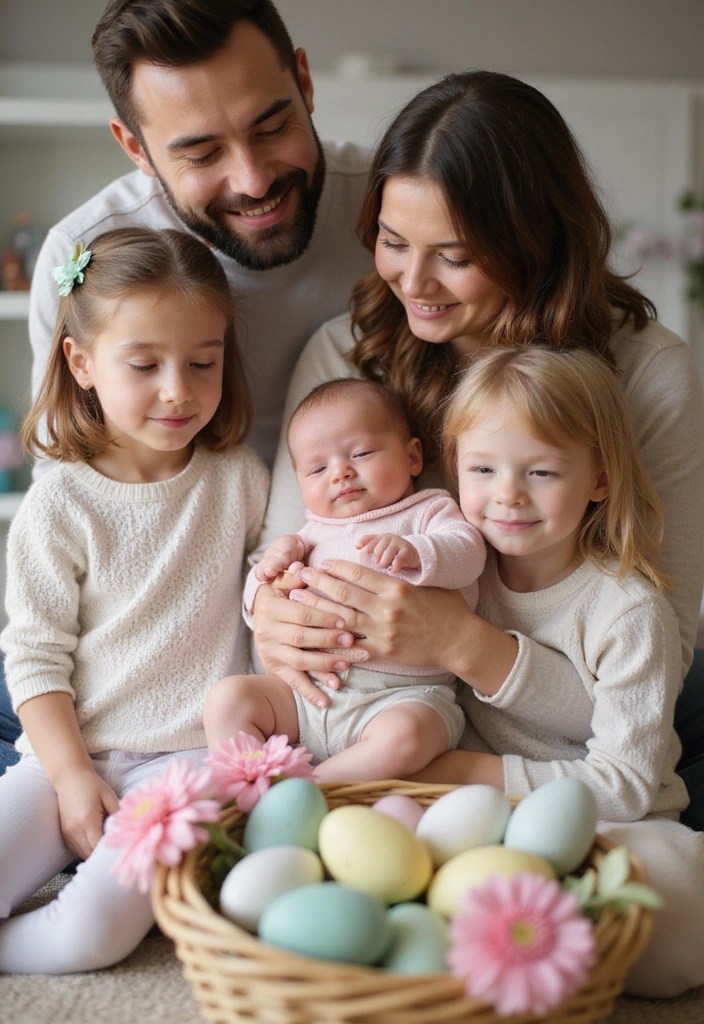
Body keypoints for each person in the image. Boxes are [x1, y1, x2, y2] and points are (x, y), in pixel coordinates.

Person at [250, 70, 704, 834]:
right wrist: (271, 618)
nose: (414, 282)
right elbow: (286, 555)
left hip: (586, 727)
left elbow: (658, 668)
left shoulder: (647, 372)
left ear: (534, 241)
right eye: (393, 242)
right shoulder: (348, 354)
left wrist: (463, 645)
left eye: (454, 256)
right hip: (394, 720)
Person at [0, 0, 374, 772]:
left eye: (271, 125)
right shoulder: (84, 256)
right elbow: (76, 484)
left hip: (328, 605)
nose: (253, 178)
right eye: (201, 152)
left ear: (304, 80)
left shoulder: (394, 216)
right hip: (129, 652)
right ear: (133, 146)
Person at [0, 226, 268, 973]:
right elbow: (34, 659)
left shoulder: (239, 479)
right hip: (66, 754)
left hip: (183, 768)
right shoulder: (59, 505)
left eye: (203, 363)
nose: (178, 389)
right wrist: (71, 776)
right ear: (81, 364)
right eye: (144, 365)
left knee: (90, 937)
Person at [427, 344, 704, 999]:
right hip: (482, 818)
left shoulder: (626, 611)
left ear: (600, 479)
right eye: (483, 469)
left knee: (662, 922)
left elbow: (627, 787)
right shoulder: (456, 578)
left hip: (616, 825)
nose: (507, 496)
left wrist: (466, 772)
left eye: (543, 472)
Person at [204, 377, 485, 780]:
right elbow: (260, 603)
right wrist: (266, 575)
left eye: (362, 453)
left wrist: (420, 550)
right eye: (318, 468)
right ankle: (245, 784)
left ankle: (311, 790)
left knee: (406, 737)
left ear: (412, 457)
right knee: (227, 699)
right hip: (307, 700)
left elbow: (469, 554)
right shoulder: (309, 534)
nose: (341, 474)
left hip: (399, 699)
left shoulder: (427, 511)